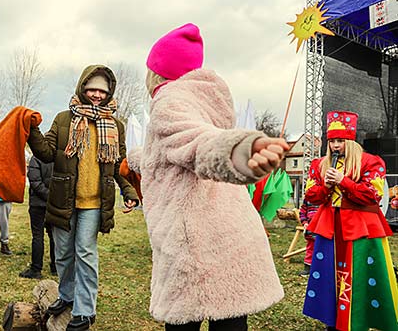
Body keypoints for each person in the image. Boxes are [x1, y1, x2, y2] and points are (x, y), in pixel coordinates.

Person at [140, 23, 288, 331]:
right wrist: (136, 159)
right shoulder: (203, 102)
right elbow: (173, 152)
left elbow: (197, 143)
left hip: (195, 246)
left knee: (185, 321)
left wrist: (240, 152)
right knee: (231, 319)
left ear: (156, 72)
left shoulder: (168, 102)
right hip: (231, 236)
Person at [27, 64, 139, 331]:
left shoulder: (115, 125)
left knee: (85, 254)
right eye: (92, 89)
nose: (97, 95)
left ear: (109, 92)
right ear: (82, 88)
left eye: (103, 90)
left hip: (94, 203)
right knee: (64, 255)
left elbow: (118, 163)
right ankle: (66, 295)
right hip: (64, 200)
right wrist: (31, 130)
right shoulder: (64, 119)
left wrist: (129, 191)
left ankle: (85, 310)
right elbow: (46, 152)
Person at [303, 110, 398, 331]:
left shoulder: (371, 162)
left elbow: (372, 195)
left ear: (351, 141)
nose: (335, 146)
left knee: (360, 276)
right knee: (330, 276)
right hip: (330, 229)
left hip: (360, 230)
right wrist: (325, 186)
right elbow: (310, 195)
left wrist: (344, 181)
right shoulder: (319, 165)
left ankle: (359, 319)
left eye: (341, 141)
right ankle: (333, 320)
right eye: (332, 141)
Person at [19, 155, 56, 279]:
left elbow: (35, 182)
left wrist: (48, 196)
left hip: (38, 203)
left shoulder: (37, 158)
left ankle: (36, 268)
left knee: (38, 236)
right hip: (53, 203)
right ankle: (55, 266)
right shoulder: (58, 157)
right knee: (54, 236)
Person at [298, 198, 318, 277]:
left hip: (323, 228)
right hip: (310, 228)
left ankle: (320, 267)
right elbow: (302, 211)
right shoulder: (308, 198)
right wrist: (304, 222)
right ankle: (308, 267)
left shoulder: (327, 196)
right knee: (310, 248)